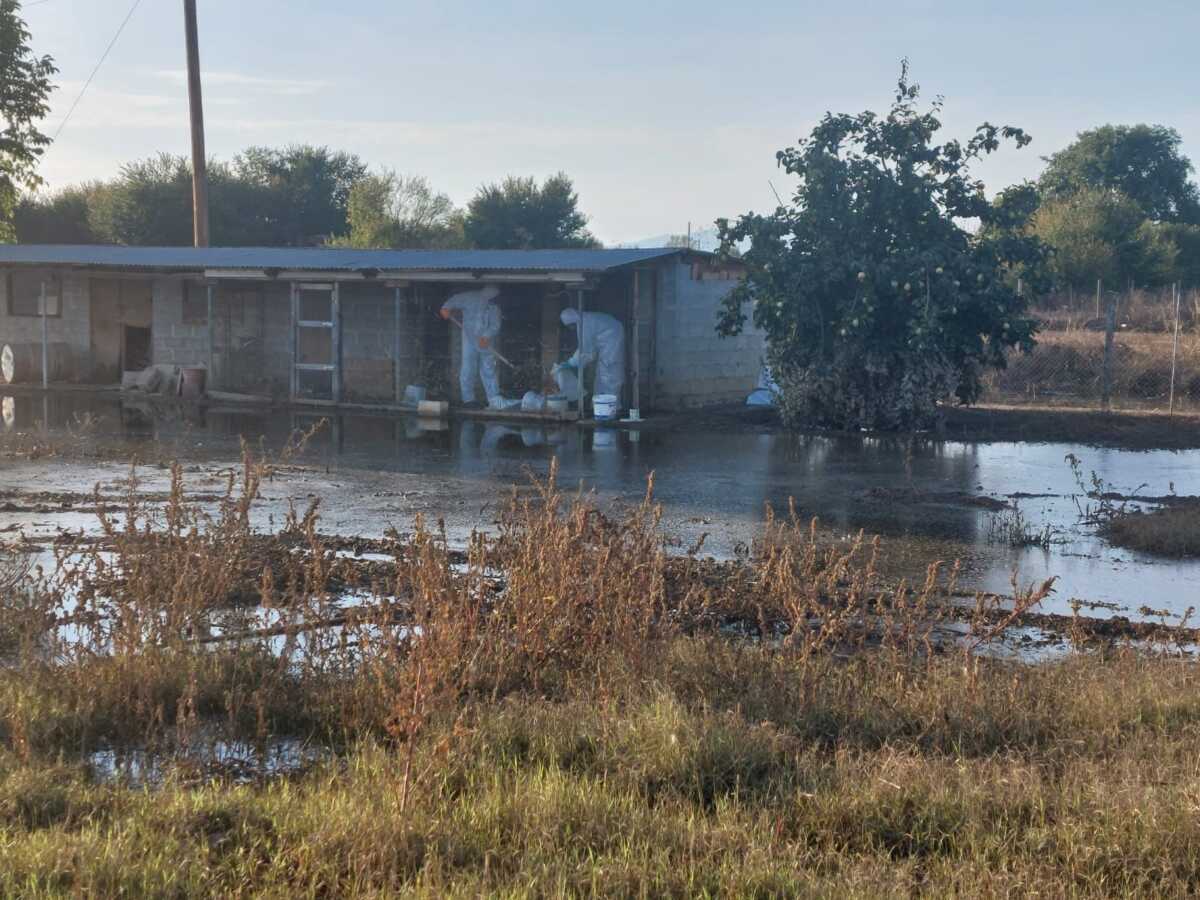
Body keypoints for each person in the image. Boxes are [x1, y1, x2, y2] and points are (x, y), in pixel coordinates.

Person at [440, 285, 502, 406]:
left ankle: (493, 399)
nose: (492, 302)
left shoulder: (495, 307)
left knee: (488, 368)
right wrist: (446, 307)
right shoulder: (470, 297)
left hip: (486, 341)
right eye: (490, 300)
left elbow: (495, 324)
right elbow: (454, 300)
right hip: (469, 338)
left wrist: (486, 336)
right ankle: (468, 400)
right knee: (468, 368)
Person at [556, 308, 626, 401]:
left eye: (570, 326)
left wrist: (571, 363)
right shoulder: (585, 319)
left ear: (571, 322)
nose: (571, 328)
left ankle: (609, 409)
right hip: (610, 338)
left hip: (611, 341)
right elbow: (589, 351)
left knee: (608, 375)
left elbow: (585, 350)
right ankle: (608, 407)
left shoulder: (584, 324)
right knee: (605, 375)